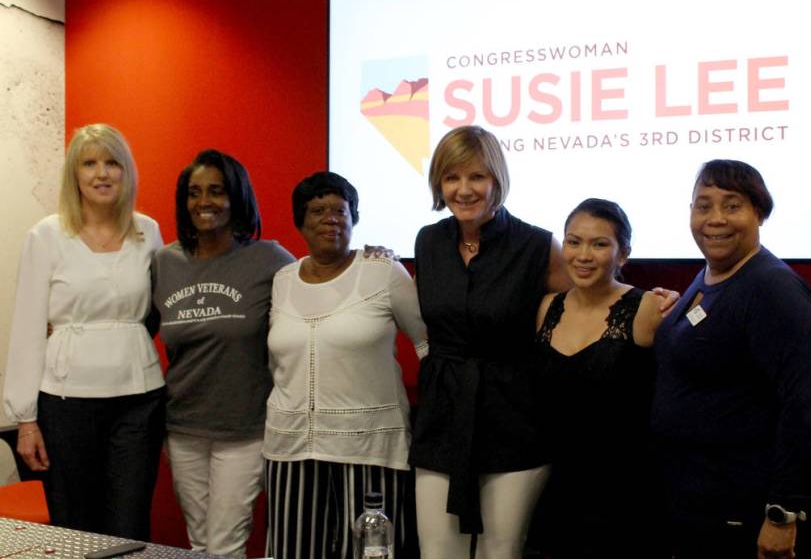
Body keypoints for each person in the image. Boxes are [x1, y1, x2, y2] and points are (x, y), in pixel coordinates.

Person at [651, 159, 811, 559]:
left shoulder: (773, 288)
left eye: (732, 205)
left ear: (760, 212)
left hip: (752, 507)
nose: (715, 219)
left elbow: (802, 405)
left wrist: (782, 512)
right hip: (706, 500)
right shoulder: (712, 275)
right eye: (703, 206)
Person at [411, 125, 572, 559]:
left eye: (476, 177)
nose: (463, 189)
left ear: (496, 179)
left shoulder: (537, 246)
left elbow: (590, 302)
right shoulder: (428, 242)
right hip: (443, 417)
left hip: (513, 418)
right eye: (451, 178)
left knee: (500, 552)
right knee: (437, 551)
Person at [3, 124, 165, 539]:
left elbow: (156, 313)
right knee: (76, 525)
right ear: (74, 174)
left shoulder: (147, 232)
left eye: (112, 163)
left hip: (138, 400)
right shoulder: (47, 235)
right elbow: (26, 328)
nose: (102, 174)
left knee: (129, 525)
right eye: (89, 164)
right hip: (65, 402)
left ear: (126, 172)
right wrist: (26, 419)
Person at [263, 171, 427, 559]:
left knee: (372, 552)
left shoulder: (383, 270)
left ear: (354, 218)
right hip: (290, 448)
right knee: (293, 551)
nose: (331, 218)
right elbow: (278, 361)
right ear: (300, 222)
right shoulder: (282, 280)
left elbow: (427, 344)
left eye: (341, 210)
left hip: (370, 447)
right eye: (318, 210)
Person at [151, 149, 295, 557]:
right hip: (182, 426)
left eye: (216, 191)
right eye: (194, 193)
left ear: (237, 198)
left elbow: (318, 288)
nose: (204, 202)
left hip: (245, 429)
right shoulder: (165, 262)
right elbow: (134, 322)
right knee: (199, 544)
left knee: (225, 542)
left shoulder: (268, 259)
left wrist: (372, 259)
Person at [533, 198, 666, 558]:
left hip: (626, 493)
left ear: (623, 254)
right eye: (573, 242)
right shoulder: (547, 308)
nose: (583, 255)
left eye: (600, 244)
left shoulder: (649, 308)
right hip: (555, 489)